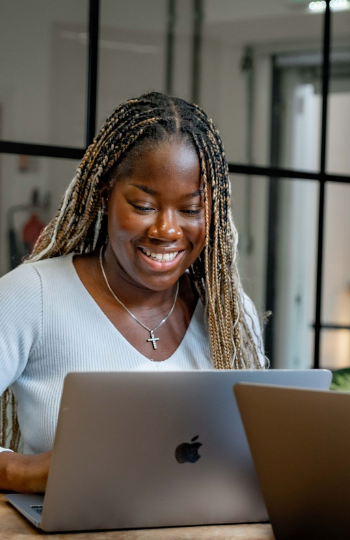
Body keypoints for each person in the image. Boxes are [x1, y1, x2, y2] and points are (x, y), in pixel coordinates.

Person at [0, 92, 265, 494]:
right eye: (143, 205)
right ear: (106, 195)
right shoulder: (32, 295)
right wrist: (26, 472)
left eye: (191, 210)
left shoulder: (230, 316)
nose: (167, 230)